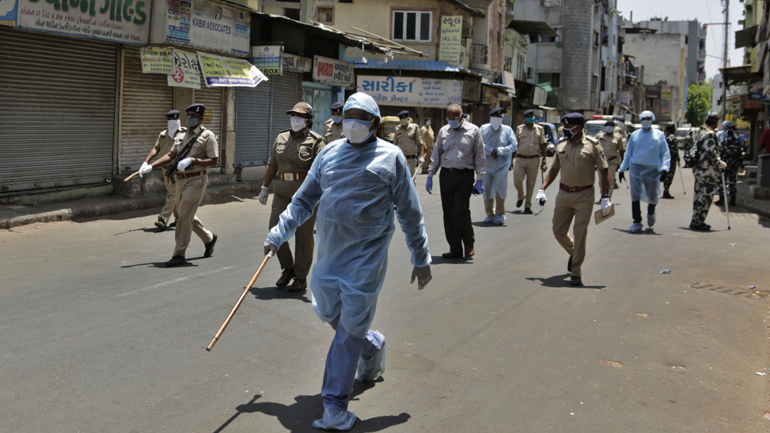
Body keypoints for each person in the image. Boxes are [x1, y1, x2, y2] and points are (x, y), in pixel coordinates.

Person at [263, 92, 432, 431]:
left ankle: (335, 405)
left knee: (347, 333)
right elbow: (303, 200)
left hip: (366, 260)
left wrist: (421, 257)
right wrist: (278, 234)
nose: (352, 122)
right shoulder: (329, 153)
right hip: (329, 254)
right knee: (328, 312)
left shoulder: (392, 156)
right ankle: (372, 346)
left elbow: (410, 213)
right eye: (347, 116)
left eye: (360, 116)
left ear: (373, 122)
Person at [138, 104, 219, 267]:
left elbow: (214, 161)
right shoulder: (182, 135)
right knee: (184, 213)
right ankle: (209, 238)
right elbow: (170, 154)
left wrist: (193, 160)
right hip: (179, 179)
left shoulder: (208, 136)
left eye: (193, 115)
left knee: (183, 217)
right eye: (187, 114)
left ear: (201, 118)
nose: (189, 118)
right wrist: (150, 165)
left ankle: (179, 254)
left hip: (196, 179)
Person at [536, 113, 611, 287]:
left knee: (580, 233)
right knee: (558, 230)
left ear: (577, 128)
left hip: (584, 195)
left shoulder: (593, 145)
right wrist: (542, 188)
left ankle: (576, 272)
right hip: (564, 194)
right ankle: (575, 253)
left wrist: (605, 196)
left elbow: (604, 171)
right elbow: (554, 170)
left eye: (568, 127)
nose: (565, 131)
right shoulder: (561, 145)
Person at [259, 102, 325, 292]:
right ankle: (288, 267)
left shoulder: (317, 141)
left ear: (308, 120)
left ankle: (301, 276)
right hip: (282, 190)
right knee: (274, 228)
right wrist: (264, 186)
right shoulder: (281, 137)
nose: (295, 119)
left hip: (305, 193)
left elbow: (321, 170)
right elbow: (273, 164)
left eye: (299, 116)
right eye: (293, 115)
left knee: (303, 236)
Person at [426, 104, 486, 259]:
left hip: (464, 175)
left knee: (461, 210)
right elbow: (436, 153)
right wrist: (430, 174)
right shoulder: (443, 131)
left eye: (455, 118)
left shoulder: (474, 131)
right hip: (446, 175)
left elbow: (480, 156)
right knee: (449, 212)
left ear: (462, 116)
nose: (451, 121)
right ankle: (455, 248)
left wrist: (480, 179)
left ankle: (469, 242)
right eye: (449, 119)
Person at [618, 111, 670, 233]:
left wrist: (664, 168)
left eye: (648, 118)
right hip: (636, 168)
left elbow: (665, 153)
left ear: (652, 119)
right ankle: (637, 221)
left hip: (653, 169)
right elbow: (628, 154)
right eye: (644, 118)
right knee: (635, 195)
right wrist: (622, 169)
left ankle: (651, 211)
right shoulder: (635, 135)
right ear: (640, 120)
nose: (646, 120)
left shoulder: (659, 135)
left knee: (652, 195)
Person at [139, 110, 187, 231]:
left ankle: (162, 219)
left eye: (175, 120)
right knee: (174, 196)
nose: (172, 122)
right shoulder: (163, 133)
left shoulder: (185, 133)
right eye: (170, 119)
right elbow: (156, 148)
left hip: (177, 170)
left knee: (171, 194)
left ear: (179, 120)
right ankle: (178, 219)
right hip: (165, 169)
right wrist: (146, 161)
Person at [480, 107, 518, 224]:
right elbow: (479, 144)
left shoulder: (507, 130)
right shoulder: (484, 129)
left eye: (500, 117)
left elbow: (514, 145)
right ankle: (490, 214)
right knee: (487, 190)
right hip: (487, 165)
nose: (498, 119)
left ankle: (500, 214)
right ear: (491, 118)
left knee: (500, 190)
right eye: (495, 117)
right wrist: (491, 150)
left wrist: (500, 150)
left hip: (501, 167)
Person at [690, 114, 727, 231]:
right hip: (707, 170)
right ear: (716, 123)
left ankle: (695, 219)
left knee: (699, 194)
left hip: (698, 168)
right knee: (707, 195)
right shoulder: (710, 134)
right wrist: (719, 163)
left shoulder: (700, 131)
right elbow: (710, 152)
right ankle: (698, 221)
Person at [513, 109, 548, 214]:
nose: (530, 117)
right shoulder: (519, 129)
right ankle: (521, 195)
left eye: (532, 115)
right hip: (520, 158)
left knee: (531, 183)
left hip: (534, 159)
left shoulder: (539, 129)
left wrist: (544, 161)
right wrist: (510, 160)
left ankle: (527, 205)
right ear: (525, 118)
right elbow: (515, 145)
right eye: (528, 116)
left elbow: (543, 145)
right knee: (517, 180)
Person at [714, 122, 747, 207]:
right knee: (733, 182)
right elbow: (741, 154)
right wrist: (740, 165)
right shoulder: (738, 141)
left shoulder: (724, 140)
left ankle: (721, 200)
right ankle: (732, 200)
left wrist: (718, 164)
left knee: (722, 182)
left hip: (724, 165)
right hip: (734, 165)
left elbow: (720, 153)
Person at [595, 119, 625, 200]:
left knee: (610, 179)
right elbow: (594, 148)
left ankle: (607, 197)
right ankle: (603, 194)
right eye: (608, 125)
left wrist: (622, 161)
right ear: (605, 127)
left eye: (612, 126)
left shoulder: (618, 137)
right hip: (601, 161)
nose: (609, 127)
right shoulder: (599, 136)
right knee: (601, 179)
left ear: (614, 127)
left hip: (612, 161)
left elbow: (621, 149)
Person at [392, 110, 425, 178]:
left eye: (404, 118)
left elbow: (420, 143)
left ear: (408, 119)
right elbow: (395, 144)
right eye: (401, 119)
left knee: (411, 179)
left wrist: (421, 156)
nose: (402, 120)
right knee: (400, 179)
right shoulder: (397, 129)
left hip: (411, 159)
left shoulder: (415, 127)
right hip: (400, 158)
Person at [661, 122, 680, 200]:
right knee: (670, 174)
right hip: (671, 159)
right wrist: (677, 158)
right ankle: (666, 190)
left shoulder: (664, 136)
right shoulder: (672, 137)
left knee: (666, 173)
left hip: (665, 158)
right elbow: (674, 149)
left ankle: (665, 190)